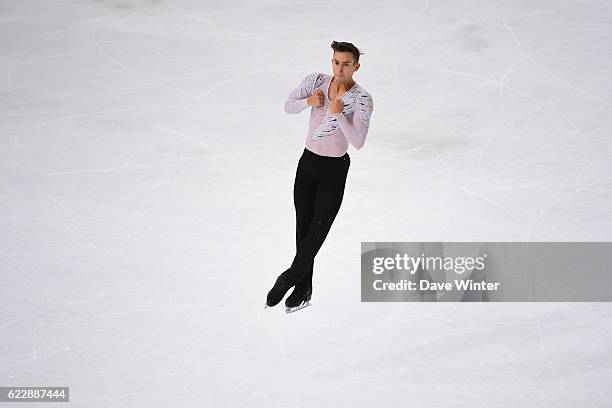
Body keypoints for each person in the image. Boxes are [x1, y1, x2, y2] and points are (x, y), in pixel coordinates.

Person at [265, 41, 374, 313]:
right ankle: (304, 289)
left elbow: (358, 142)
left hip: (334, 170)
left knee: (317, 231)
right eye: (336, 62)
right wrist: (308, 102)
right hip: (308, 163)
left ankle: (288, 277)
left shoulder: (362, 99)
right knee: (303, 228)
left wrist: (340, 117)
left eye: (346, 64)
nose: (339, 68)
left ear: (356, 66)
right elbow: (287, 105)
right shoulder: (316, 81)